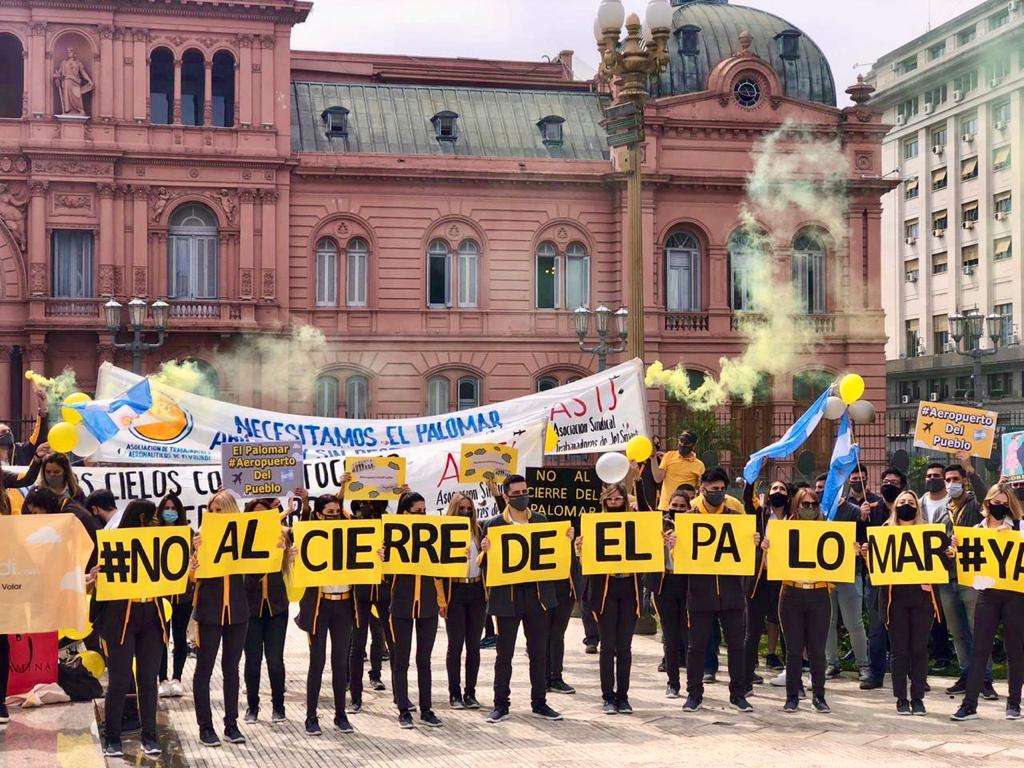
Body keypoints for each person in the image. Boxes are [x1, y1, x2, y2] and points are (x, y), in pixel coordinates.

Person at [480, 474, 566, 724]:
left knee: (538, 653)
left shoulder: (540, 520)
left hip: (537, 596)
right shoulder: (494, 524)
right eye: (516, 493)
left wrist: (566, 541)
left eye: (525, 491)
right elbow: (488, 567)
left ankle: (539, 703)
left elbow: (553, 557)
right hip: (507, 598)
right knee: (504, 654)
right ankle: (500, 705)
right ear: (505, 496)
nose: (522, 497)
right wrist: (486, 552)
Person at [679, 467, 759, 714]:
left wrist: (753, 543)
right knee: (697, 646)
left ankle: (738, 693)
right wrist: (674, 543)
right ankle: (694, 694)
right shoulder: (689, 518)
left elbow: (747, 556)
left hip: (732, 593)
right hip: (700, 593)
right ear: (702, 489)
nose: (718, 494)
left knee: (736, 645)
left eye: (722, 490)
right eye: (714, 489)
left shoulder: (736, 517)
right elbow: (679, 557)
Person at [90, 500, 165, 758]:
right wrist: (93, 578)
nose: (156, 521)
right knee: (120, 680)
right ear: (140, 518)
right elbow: (95, 582)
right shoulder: (114, 543)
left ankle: (150, 735)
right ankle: (112, 738)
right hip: (120, 618)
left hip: (151, 617)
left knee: (148, 680)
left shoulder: (161, 543)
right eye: (151, 517)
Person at [950, 483, 1024, 721]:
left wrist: (1014, 537)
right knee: (979, 649)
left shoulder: (1020, 527)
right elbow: (968, 562)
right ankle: (969, 704)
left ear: (1010, 505)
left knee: (1015, 650)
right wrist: (955, 551)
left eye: (1004, 503)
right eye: (996, 502)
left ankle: (1013, 703)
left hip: (1015, 595)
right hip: (987, 596)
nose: (1000, 506)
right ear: (987, 503)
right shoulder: (975, 530)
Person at [862, 490, 938, 716]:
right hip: (894, 599)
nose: (906, 505)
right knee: (898, 650)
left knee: (919, 649)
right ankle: (901, 698)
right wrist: (867, 555)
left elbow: (939, 564)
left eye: (910, 502)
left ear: (917, 506)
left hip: (921, 597)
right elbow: (877, 570)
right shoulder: (885, 531)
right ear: (895, 507)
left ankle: (918, 697)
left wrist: (948, 552)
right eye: (902, 502)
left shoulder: (927, 532)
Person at [763, 488, 832, 713]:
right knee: (793, 650)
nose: (810, 509)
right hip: (791, 593)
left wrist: (850, 551)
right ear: (796, 506)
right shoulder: (782, 530)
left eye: (814, 504)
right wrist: (766, 549)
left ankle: (819, 697)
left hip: (819, 593)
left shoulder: (828, 529)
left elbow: (839, 564)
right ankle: (792, 696)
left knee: (817, 650)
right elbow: (767, 566)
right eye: (805, 504)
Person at [191, 490, 251, 748]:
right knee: (204, 668)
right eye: (211, 510)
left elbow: (262, 566)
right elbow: (190, 578)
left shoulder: (245, 537)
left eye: (219, 509)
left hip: (238, 610)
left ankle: (231, 724)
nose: (214, 514)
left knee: (232, 668)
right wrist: (194, 561)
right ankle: (205, 726)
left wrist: (281, 549)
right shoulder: (200, 539)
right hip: (209, 610)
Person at [295, 493, 356, 736]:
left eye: (337, 511)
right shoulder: (310, 536)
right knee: (317, 663)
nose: (334, 516)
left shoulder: (351, 534)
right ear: (319, 514)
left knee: (340, 663)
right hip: (319, 607)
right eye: (329, 512)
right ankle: (311, 717)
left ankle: (341, 715)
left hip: (343, 605)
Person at [577, 483, 641, 714]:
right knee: (607, 647)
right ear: (603, 502)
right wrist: (580, 549)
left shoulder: (636, 521)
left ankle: (623, 696)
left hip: (629, 588)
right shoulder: (594, 524)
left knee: (625, 647)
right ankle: (607, 697)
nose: (614, 503)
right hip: (605, 590)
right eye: (610, 500)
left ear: (625, 500)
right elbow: (587, 563)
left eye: (618, 499)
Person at [387, 492, 443, 729]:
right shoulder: (391, 537)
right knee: (401, 660)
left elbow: (445, 565)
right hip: (401, 603)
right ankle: (403, 710)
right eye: (416, 511)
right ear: (404, 513)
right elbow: (381, 572)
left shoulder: (435, 533)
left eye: (423, 510)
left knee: (424, 660)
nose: (422, 514)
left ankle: (427, 709)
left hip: (428, 605)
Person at [942, 457, 997, 700]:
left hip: (972, 578)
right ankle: (966, 674)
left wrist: (971, 470)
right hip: (947, 579)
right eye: (948, 480)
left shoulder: (976, 506)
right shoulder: (944, 512)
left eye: (955, 479)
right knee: (958, 631)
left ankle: (985, 679)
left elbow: (987, 494)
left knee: (978, 629)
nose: (951, 484)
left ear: (964, 482)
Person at [243, 495, 295, 724]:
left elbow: (291, 566)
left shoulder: (282, 534)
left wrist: (290, 555)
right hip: (249, 607)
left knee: (275, 660)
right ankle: (252, 706)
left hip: (276, 606)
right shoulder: (240, 538)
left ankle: (279, 706)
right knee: (252, 660)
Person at [814, 473, 870, 682]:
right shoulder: (816, 512)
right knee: (827, 623)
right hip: (823, 576)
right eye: (818, 488)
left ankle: (863, 665)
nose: (821, 491)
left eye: (825, 487)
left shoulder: (854, 512)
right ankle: (831, 663)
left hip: (848, 575)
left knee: (853, 623)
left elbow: (864, 538)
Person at [856, 466, 905, 691]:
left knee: (905, 629)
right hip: (876, 580)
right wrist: (861, 520)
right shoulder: (871, 510)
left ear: (902, 487)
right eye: (886, 481)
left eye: (894, 482)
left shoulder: (909, 511)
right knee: (877, 628)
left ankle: (910, 675)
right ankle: (875, 674)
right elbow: (857, 542)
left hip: (905, 580)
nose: (889, 485)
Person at [441, 493, 487, 709]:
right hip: (456, 590)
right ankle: (455, 693)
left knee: (474, 646)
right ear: (453, 510)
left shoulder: (479, 530)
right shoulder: (445, 532)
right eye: (462, 508)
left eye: (469, 508)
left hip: (477, 589)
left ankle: (471, 692)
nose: (466, 512)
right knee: (455, 644)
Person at [741, 479, 787, 695]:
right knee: (753, 629)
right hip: (759, 580)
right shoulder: (760, 514)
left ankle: (791, 674)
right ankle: (747, 674)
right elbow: (746, 500)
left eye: (782, 489)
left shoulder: (793, 518)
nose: (778, 491)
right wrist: (751, 477)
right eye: (774, 488)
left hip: (784, 580)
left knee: (788, 628)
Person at [348, 498, 391, 713]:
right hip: (360, 592)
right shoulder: (352, 527)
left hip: (384, 590)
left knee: (385, 638)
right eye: (361, 508)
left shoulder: (389, 525)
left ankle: (377, 676)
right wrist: (344, 488)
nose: (365, 511)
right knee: (357, 644)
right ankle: (355, 696)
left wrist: (404, 494)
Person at [649, 488, 690, 698]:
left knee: (690, 636)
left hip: (687, 585)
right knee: (670, 636)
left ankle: (693, 684)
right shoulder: (658, 527)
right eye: (674, 506)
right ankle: (673, 683)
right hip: (665, 584)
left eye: (683, 506)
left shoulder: (695, 527)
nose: (678, 509)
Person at [155, 493, 193, 699]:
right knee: (162, 638)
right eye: (166, 508)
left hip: (183, 596)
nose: (170, 512)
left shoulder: (188, 533)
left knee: (180, 638)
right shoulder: (153, 533)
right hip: (161, 596)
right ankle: (162, 679)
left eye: (173, 508)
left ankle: (177, 678)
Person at [652, 430, 705, 513]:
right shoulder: (669, 456)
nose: (683, 444)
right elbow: (658, 478)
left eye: (686, 442)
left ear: (693, 446)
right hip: (666, 507)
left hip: (685, 509)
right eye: (681, 441)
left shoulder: (699, 465)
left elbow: (701, 490)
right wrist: (653, 458)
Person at [0, 387, 47, 466]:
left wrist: (42, 410)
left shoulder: (21, 450)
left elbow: (37, 437)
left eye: (9, 431)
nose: (8, 433)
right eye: (4, 432)